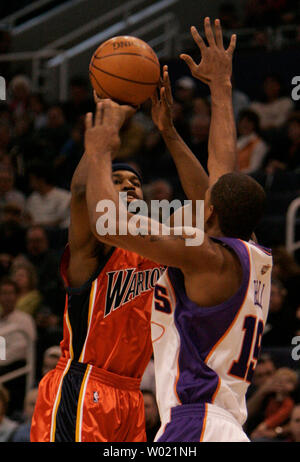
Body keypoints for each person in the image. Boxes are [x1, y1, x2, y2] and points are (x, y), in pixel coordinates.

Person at [80, 18, 272, 443]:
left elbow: (107, 223)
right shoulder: (247, 250)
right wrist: (214, 92)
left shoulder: (203, 255)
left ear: (210, 213)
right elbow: (223, 172)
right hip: (223, 427)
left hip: (195, 424)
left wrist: (100, 149)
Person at [250, 367, 299, 441]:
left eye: (287, 381)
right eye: (279, 381)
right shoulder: (269, 398)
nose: (282, 384)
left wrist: (263, 426)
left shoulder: (289, 403)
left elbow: (279, 416)